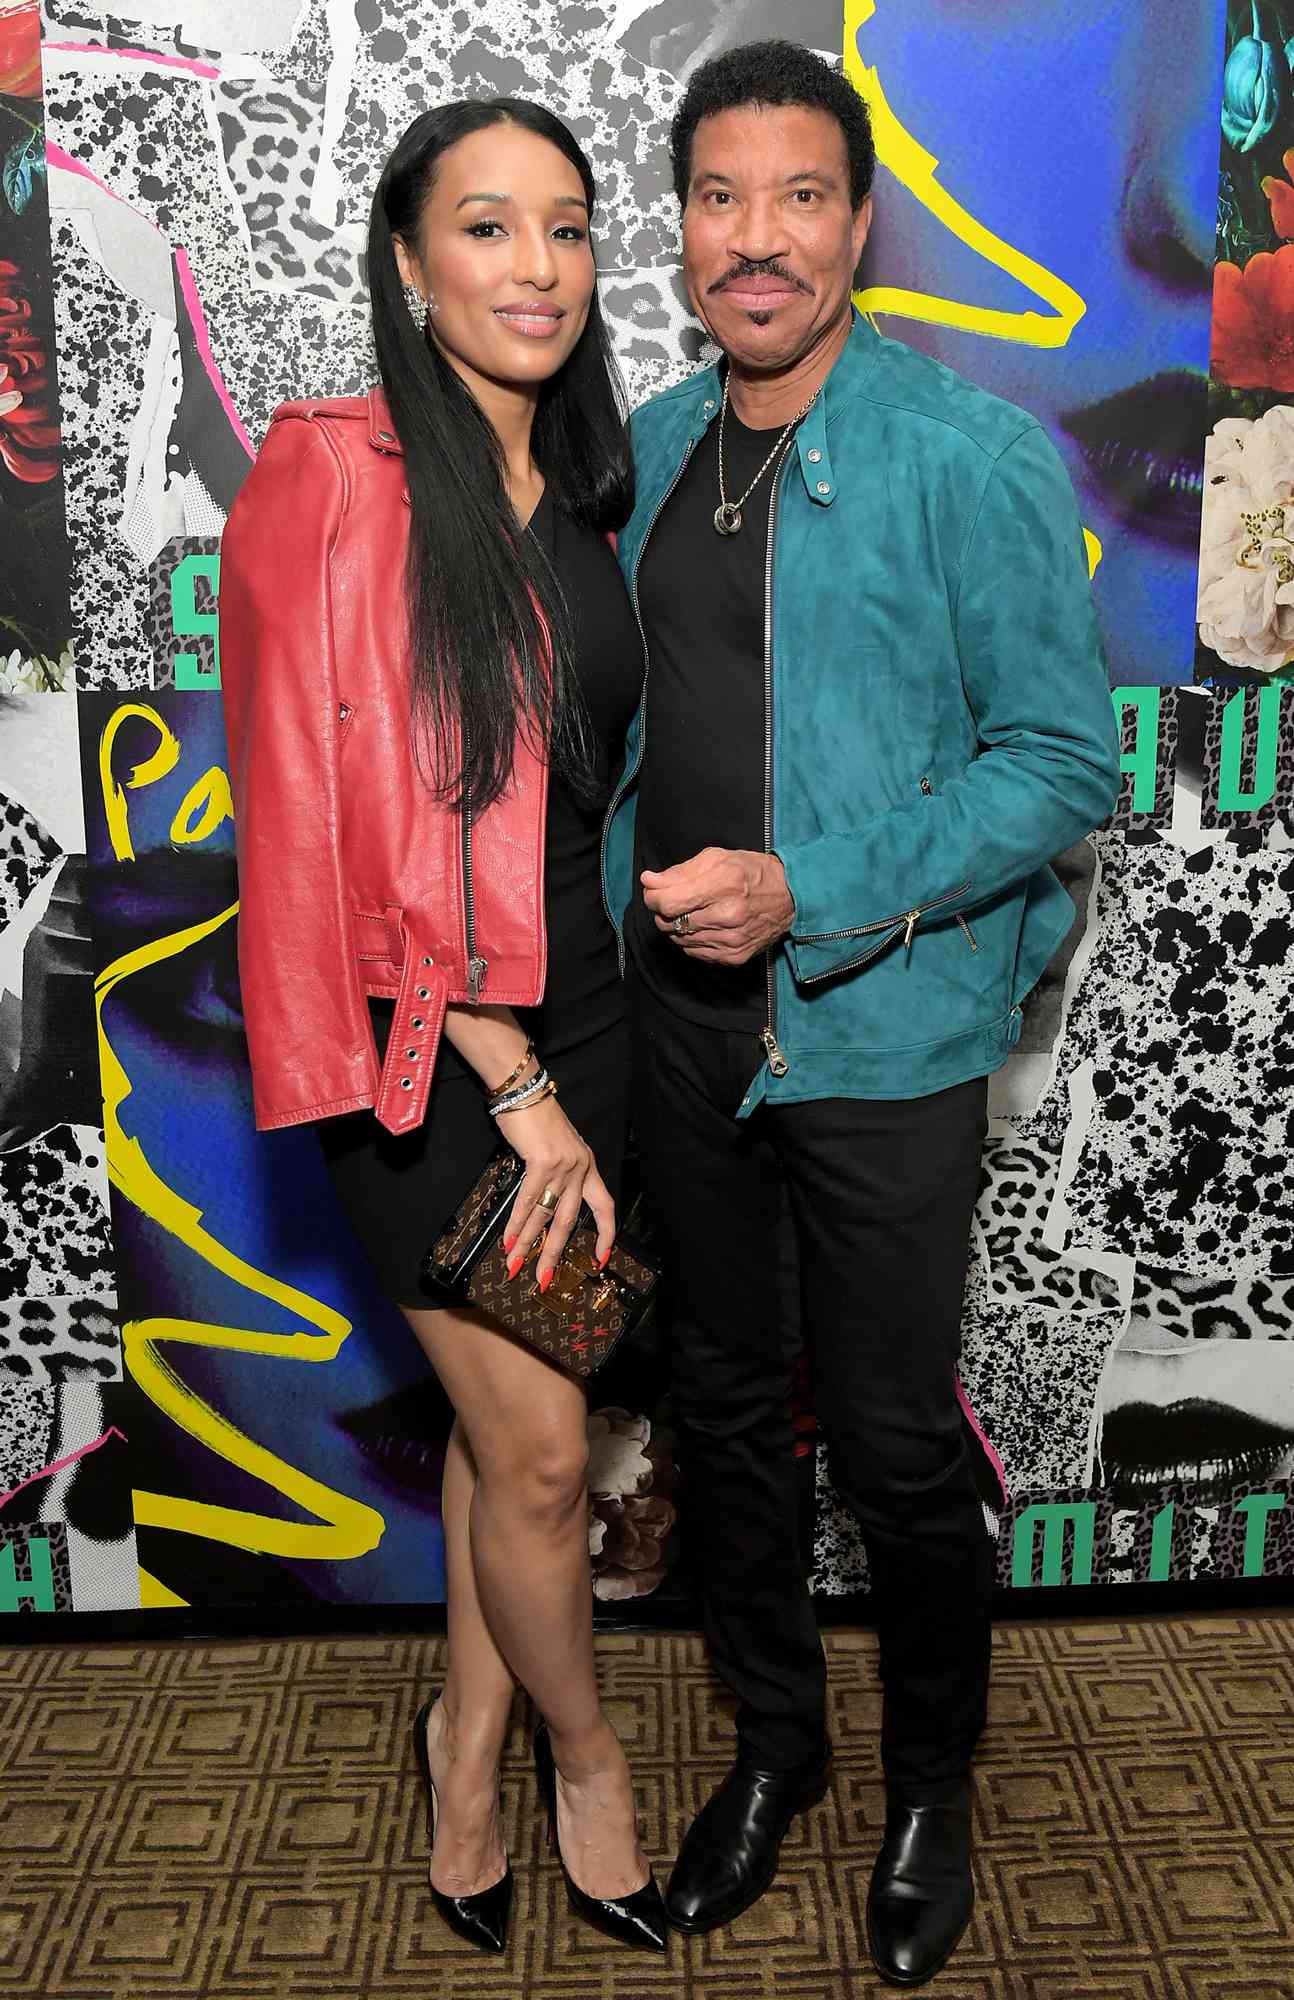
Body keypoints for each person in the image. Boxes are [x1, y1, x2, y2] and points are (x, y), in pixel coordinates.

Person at [603, 40, 1122, 1987]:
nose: (756, 240)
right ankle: (769, 1755)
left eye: (796, 197)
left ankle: (928, 1786)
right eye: (719, 198)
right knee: (727, 1422)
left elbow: (1063, 766)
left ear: (854, 223)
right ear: (680, 226)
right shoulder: (645, 447)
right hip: (678, 1039)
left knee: (894, 1445)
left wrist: (806, 888)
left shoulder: (963, 453)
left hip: (882, 1033)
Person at [219, 98, 667, 1957]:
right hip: (437, 1066)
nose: (535, 269)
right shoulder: (332, 478)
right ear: (407, 262)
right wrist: (518, 1081)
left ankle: (464, 1735)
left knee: (513, 1446)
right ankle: (585, 1762)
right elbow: (321, 834)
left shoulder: (578, 490)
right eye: (486, 230)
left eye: (564, 229)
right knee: (552, 1461)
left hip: (592, 1024)